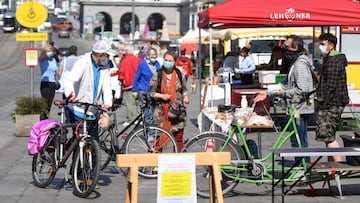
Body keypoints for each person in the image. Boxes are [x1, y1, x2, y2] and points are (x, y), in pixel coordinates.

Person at [253, 35, 315, 164]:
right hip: (295, 107)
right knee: (297, 139)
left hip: (299, 108)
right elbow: (286, 83)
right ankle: (302, 166)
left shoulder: (300, 65)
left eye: (286, 47)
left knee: (299, 140)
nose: (283, 49)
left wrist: (283, 93)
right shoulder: (295, 63)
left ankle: (303, 168)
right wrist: (267, 92)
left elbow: (303, 89)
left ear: (295, 48)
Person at [64, 40, 113, 141]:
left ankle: (92, 156)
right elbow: (70, 80)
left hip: (93, 110)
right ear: (99, 55)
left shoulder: (104, 67)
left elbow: (106, 86)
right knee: (80, 141)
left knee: (93, 143)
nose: (106, 59)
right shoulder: (83, 62)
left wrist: (108, 102)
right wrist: (70, 94)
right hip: (78, 109)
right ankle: (77, 155)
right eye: (105, 56)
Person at [315, 33, 349, 162]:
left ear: (331, 45)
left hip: (332, 102)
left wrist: (323, 100)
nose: (320, 46)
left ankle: (339, 166)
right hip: (332, 101)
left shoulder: (334, 60)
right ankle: (332, 166)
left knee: (327, 135)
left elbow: (331, 84)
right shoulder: (329, 59)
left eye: (322, 44)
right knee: (328, 136)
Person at [149, 50, 190, 151]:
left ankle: (177, 161)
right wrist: (162, 96)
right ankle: (156, 164)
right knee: (159, 140)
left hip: (177, 112)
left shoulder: (179, 74)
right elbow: (151, 93)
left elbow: (184, 89)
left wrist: (185, 97)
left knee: (178, 139)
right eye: (166, 60)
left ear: (175, 62)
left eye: (170, 60)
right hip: (161, 113)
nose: (167, 62)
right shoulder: (157, 75)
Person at [132, 46, 161, 125]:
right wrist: (134, 90)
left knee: (154, 111)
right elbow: (136, 77)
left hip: (154, 91)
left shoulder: (157, 64)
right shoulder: (142, 64)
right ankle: (149, 133)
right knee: (147, 112)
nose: (153, 56)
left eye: (155, 54)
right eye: (152, 54)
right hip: (144, 90)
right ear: (147, 56)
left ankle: (150, 129)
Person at [118, 44, 141, 126]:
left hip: (128, 84)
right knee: (138, 102)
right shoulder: (137, 59)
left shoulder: (124, 61)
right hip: (137, 84)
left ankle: (129, 119)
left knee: (129, 103)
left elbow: (121, 73)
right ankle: (139, 118)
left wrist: (122, 81)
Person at [39, 43, 59, 119]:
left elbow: (56, 70)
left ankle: (47, 120)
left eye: (51, 49)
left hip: (52, 83)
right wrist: (45, 49)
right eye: (48, 49)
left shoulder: (53, 60)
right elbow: (43, 55)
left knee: (49, 105)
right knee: (45, 104)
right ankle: (42, 120)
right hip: (45, 83)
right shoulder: (43, 59)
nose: (50, 50)